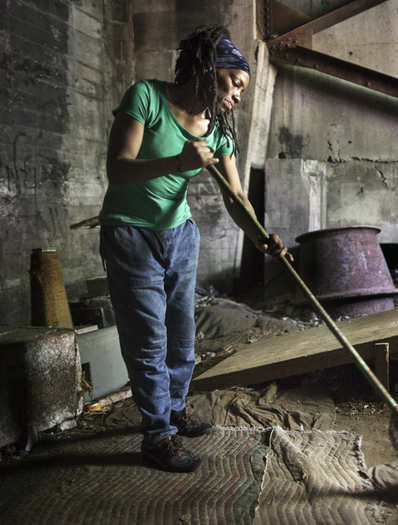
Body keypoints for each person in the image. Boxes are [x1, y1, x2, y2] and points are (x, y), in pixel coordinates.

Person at [99, 25, 288, 473]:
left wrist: (261, 236)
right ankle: (156, 436)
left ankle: (175, 409)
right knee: (148, 340)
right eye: (234, 82)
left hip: (180, 235)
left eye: (243, 88)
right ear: (207, 69)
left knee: (182, 335)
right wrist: (179, 162)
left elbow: (235, 198)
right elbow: (118, 169)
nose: (238, 95)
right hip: (130, 234)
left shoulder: (218, 128)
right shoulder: (145, 96)